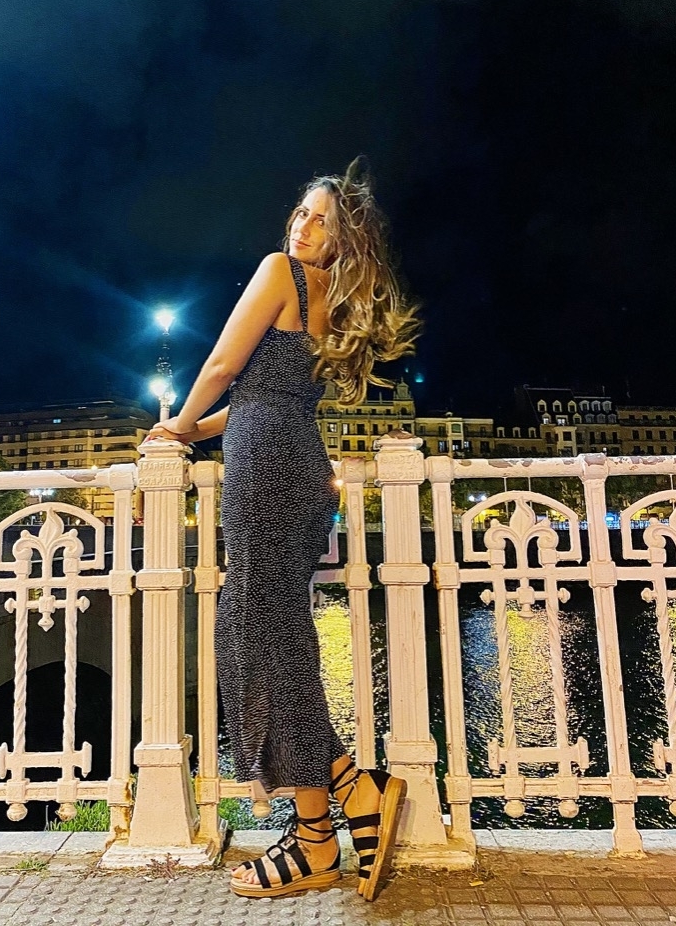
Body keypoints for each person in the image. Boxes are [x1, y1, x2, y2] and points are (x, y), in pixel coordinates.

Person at [146, 158, 420, 901]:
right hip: (298, 468)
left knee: (257, 640)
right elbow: (260, 399)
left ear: (343, 239)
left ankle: (324, 828)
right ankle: (337, 809)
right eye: (301, 213)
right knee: (272, 642)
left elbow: (224, 365)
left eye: (321, 220)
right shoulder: (337, 302)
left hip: (268, 467)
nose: (302, 227)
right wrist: (189, 431)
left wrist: (176, 422)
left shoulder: (280, 273)